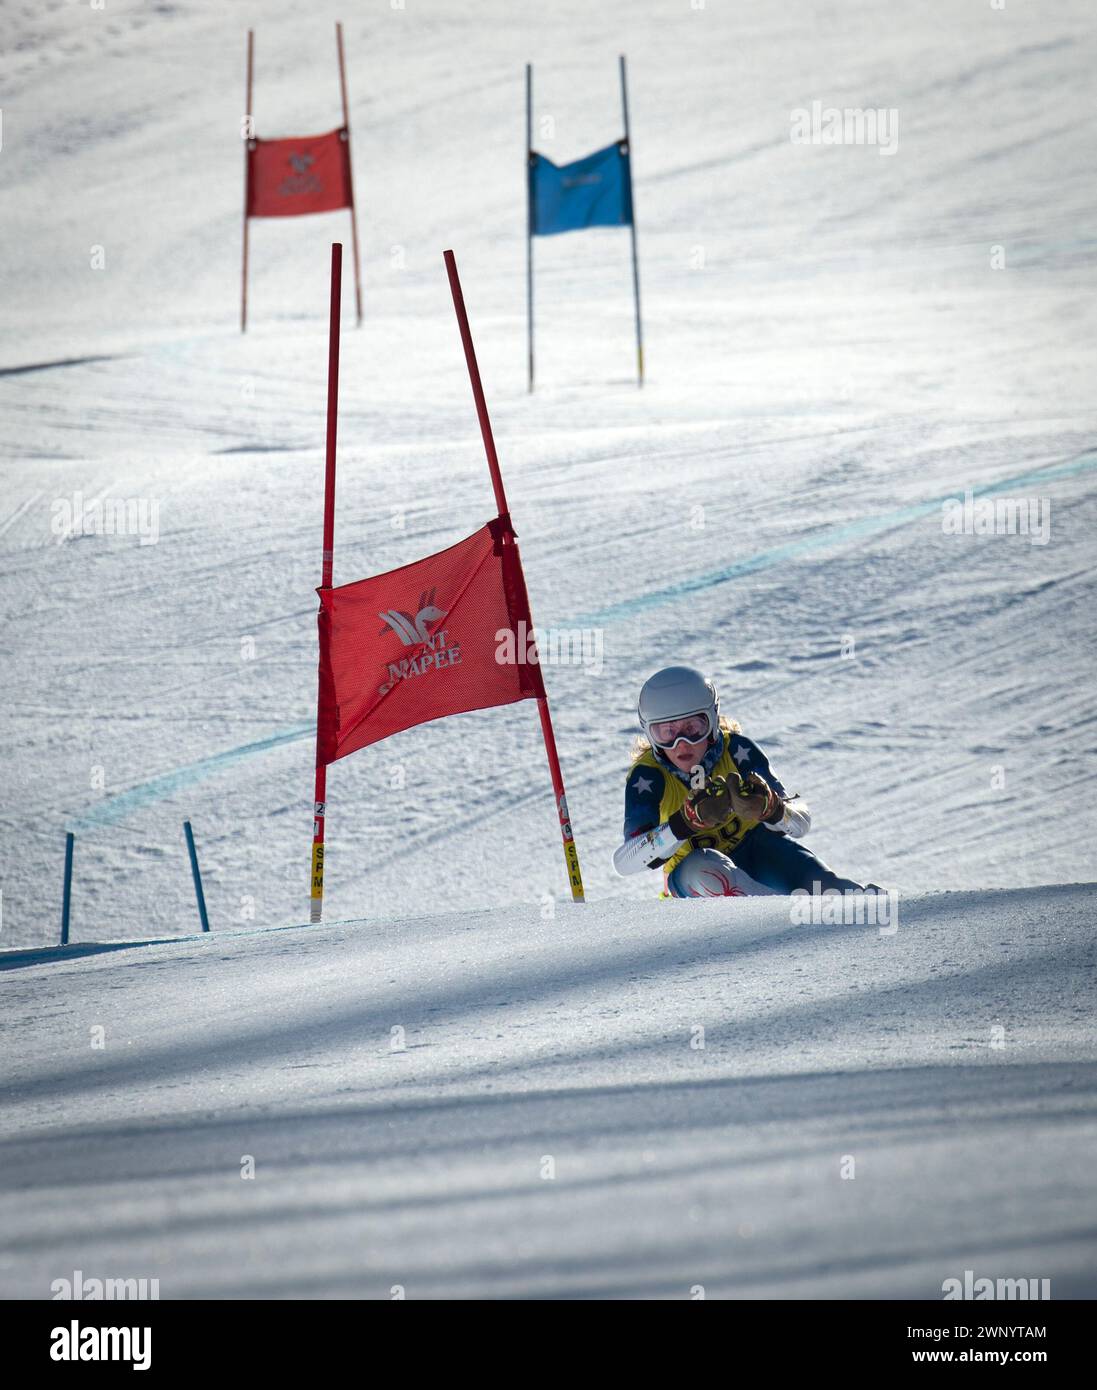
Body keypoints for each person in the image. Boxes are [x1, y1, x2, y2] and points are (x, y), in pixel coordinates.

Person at [613, 665, 872, 898]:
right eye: (666, 733)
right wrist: (684, 825)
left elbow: (800, 823)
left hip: (758, 851)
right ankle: (780, 918)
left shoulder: (737, 751)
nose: (682, 744)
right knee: (704, 870)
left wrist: (773, 809)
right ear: (649, 732)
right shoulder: (648, 776)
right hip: (691, 873)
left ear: (712, 720)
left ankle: (866, 908)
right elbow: (626, 862)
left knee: (826, 887)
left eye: (693, 728)